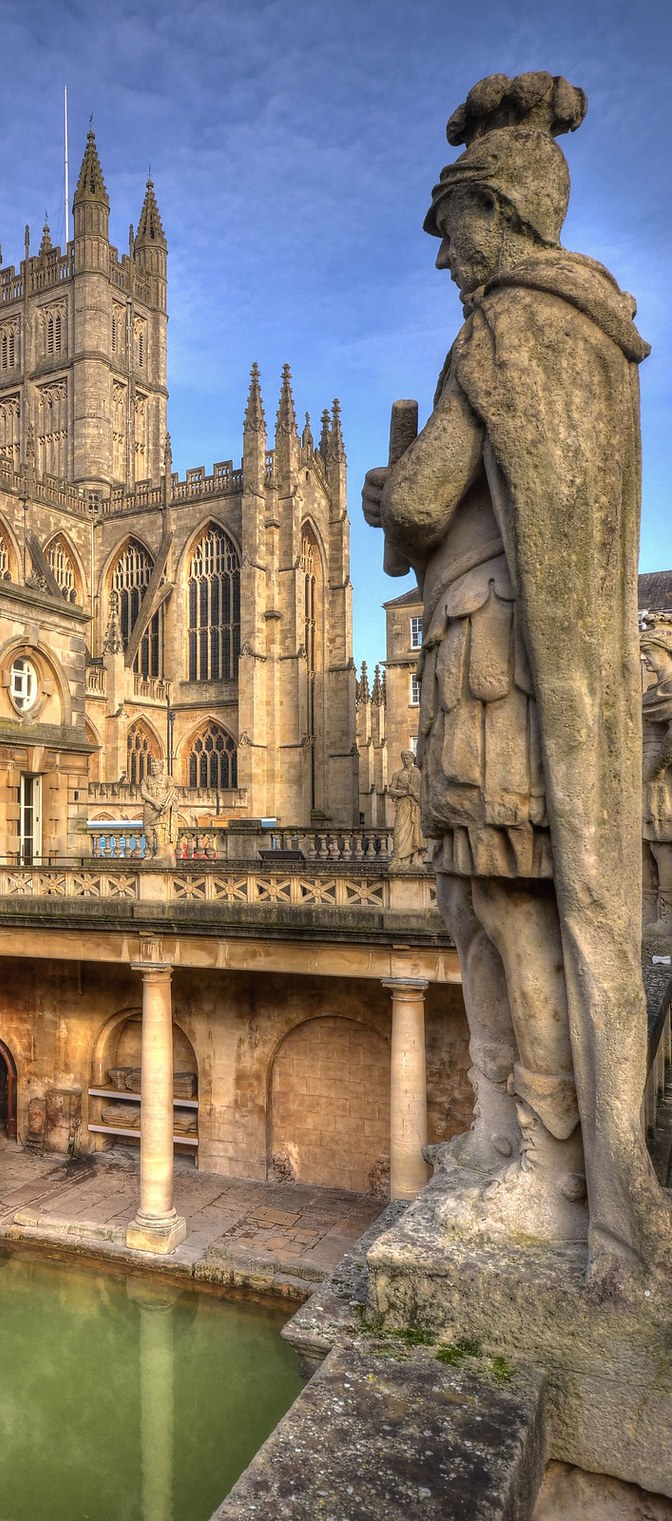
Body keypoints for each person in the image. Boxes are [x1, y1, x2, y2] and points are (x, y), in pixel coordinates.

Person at [363, 72, 668, 1277]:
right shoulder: (593, 337)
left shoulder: (501, 328)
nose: (445, 260)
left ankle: (545, 1167)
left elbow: (428, 497)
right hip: (512, 660)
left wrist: (381, 486)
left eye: (452, 234)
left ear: (498, 216)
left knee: (506, 911)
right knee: (488, 910)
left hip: (494, 657)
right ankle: (506, 1141)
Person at [641, 622, 672, 933]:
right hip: (649, 780)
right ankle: (648, 914)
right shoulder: (653, 692)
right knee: (649, 845)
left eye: (649, 652)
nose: (645, 659)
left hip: (663, 782)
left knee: (664, 846)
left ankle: (666, 919)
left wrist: (657, 768)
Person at [388, 750, 425, 868]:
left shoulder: (418, 774)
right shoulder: (397, 774)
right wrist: (404, 792)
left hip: (415, 806)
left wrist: (414, 793)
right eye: (403, 758)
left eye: (407, 758)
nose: (405, 760)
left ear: (412, 758)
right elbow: (391, 791)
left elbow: (424, 792)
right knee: (399, 830)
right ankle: (399, 857)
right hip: (403, 805)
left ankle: (415, 858)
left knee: (416, 830)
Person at [139, 756, 178, 859]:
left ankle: (160, 851)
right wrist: (154, 802)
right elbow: (143, 793)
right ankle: (151, 851)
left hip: (161, 808)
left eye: (156, 766)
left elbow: (172, 794)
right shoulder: (146, 779)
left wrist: (167, 805)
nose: (153, 768)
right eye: (152, 766)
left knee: (159, 830)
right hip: (149, 807)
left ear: (161, 768)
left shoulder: (168, 779)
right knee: (148, 832)